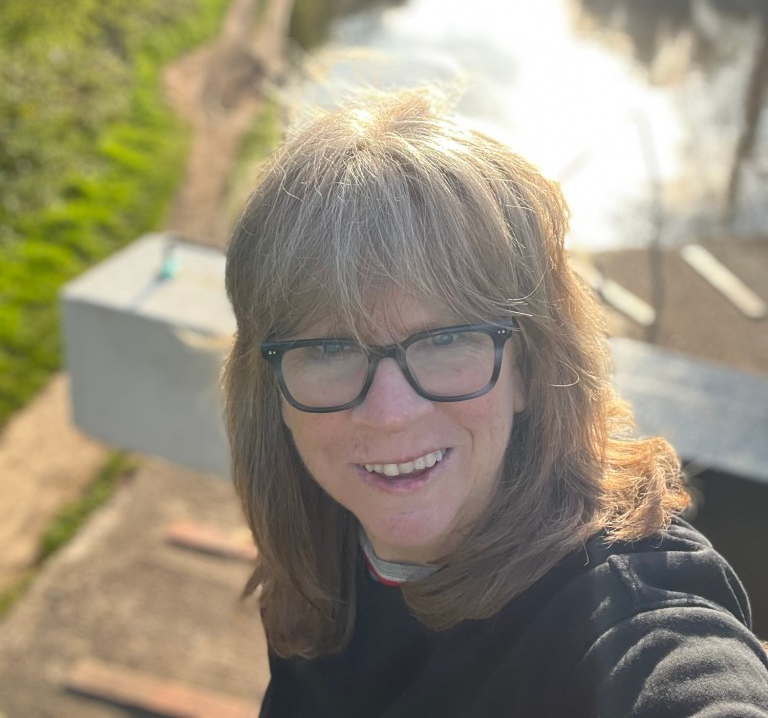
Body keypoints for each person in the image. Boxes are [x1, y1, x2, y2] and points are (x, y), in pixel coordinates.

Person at [222, 87, 768, 717]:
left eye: (446, 339)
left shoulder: (624, 609)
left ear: (530, 368)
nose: (390, 412)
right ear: (271, 387)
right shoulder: (322, 542)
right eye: (329, 348)